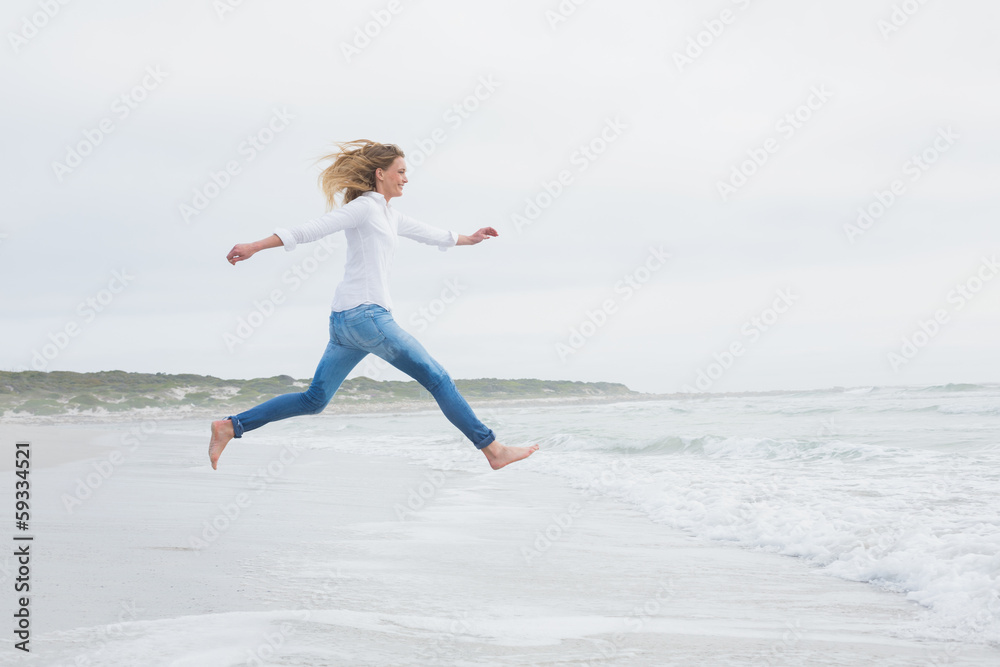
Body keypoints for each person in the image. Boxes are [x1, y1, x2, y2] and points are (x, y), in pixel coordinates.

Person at [208, 140, 538, 471]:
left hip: (344, 324)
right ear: (381, 174)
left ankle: (230, 426)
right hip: (367, 316)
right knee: (437, 377)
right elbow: (312, 230)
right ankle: (493, 450)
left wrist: (471, 237)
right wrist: (255, 245)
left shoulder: (388, 215)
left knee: (314, 400)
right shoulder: (365, 208)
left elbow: (431, 234)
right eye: (401, 172)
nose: (406, 178)